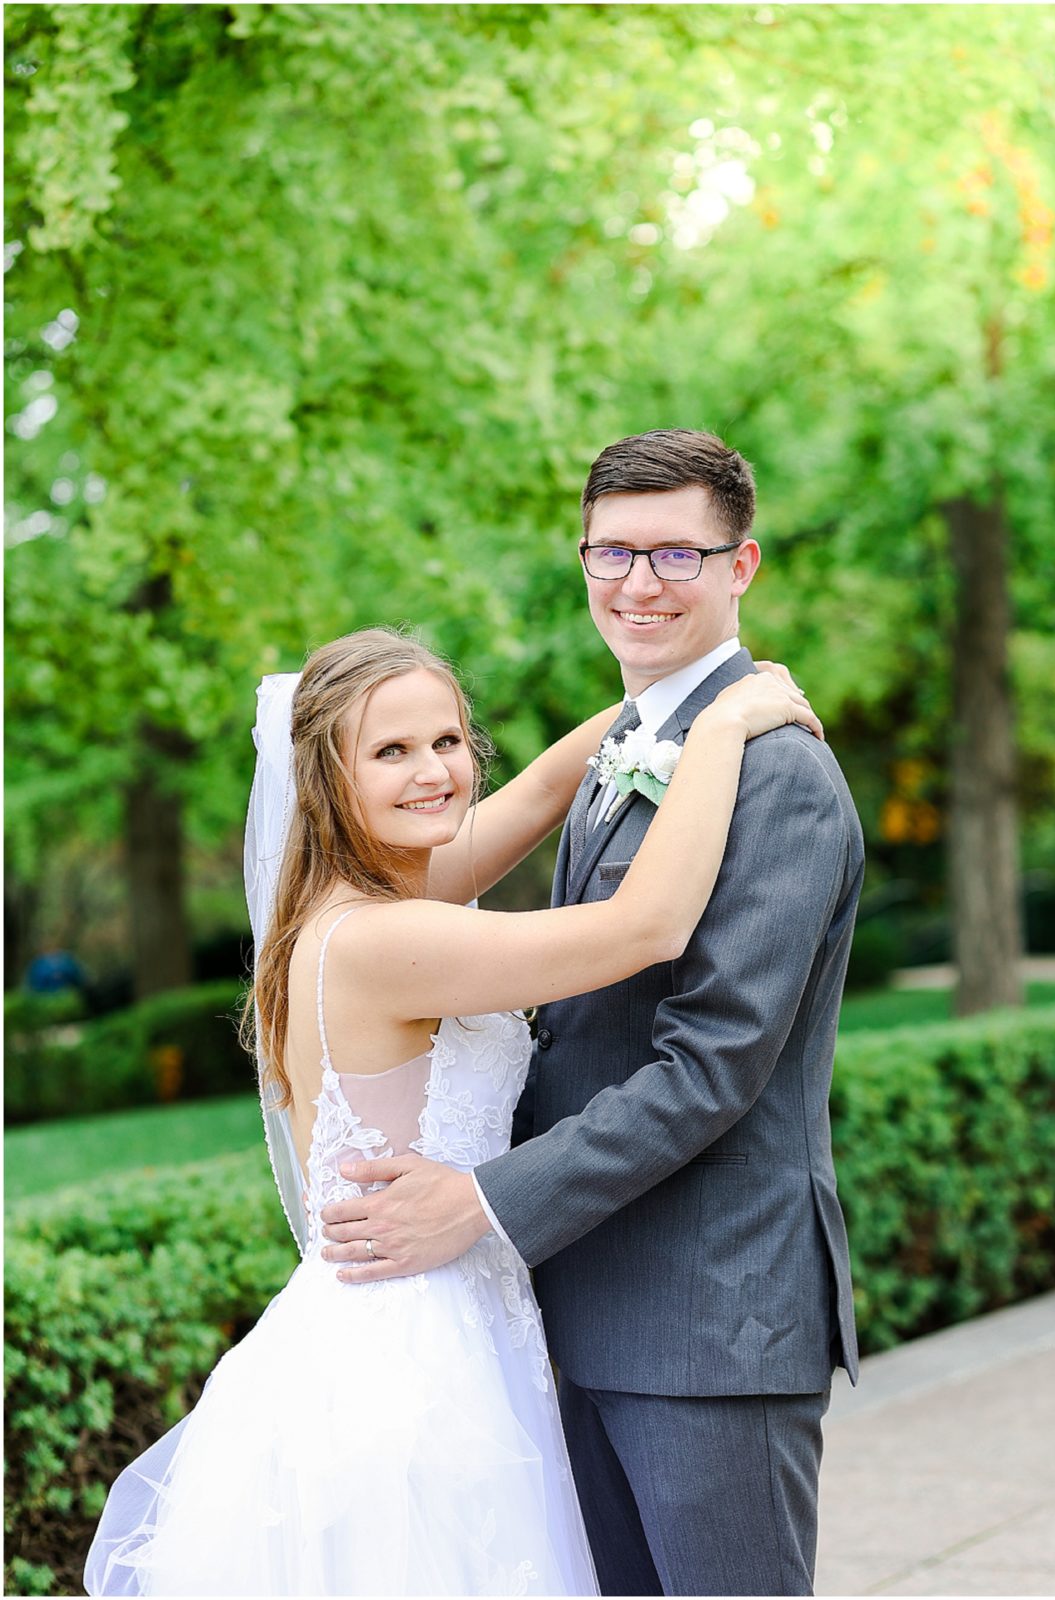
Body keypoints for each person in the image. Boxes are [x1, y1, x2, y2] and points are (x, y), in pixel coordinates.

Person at [84, 623, 818, 1597]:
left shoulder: (362, 896)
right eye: (390, 751)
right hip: (413, 1365)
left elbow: (537, 794)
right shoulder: (384, 940)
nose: (433, 771)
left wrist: (669, 698)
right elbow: (648, 924)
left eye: (447, 740)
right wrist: (725, 727)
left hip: (447, 1315)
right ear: (323, 777)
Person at [321, 430, 865, 1598]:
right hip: (565, 1299)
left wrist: (481, 1200)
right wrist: (665, 723)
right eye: (611, 552)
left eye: (676, 554)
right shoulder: (631, 747)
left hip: (705, 1322)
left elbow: (712, 1066)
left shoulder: (778, 773)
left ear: (742, 565)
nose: (637, 583)